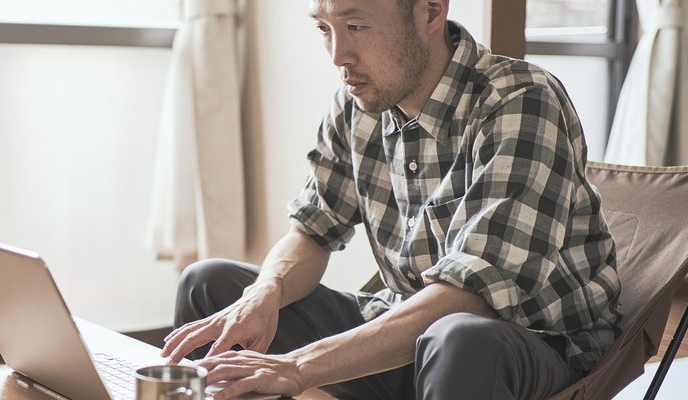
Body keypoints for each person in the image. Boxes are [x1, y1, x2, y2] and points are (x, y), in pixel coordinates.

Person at [159, 0, 622, 399]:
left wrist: (298, 367)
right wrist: (265, 292)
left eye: (356, 26)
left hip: (526, 344)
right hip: (408, 328)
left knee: (458, 338)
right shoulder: (356, 103)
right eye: (325, 28)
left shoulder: (520, 101)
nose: (339, 56)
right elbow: (312, 229)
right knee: (209, 284)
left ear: (431, 11)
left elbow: (473, 298)